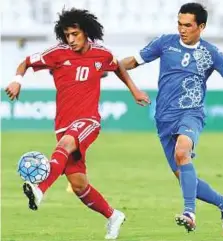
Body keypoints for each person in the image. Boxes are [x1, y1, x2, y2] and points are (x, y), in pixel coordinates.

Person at [5, 8, 150, 240]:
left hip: (88, 121)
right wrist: (16, 81)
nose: (70, 39)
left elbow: (117, 67)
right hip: (62, 123)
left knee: (65, 144)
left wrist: (135, 91)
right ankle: (113, 216)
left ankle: (39, 190)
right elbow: (26, 62)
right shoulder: (57, 53)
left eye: (75, 34)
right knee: (79, 184)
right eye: (67, 35)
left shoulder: (101, 54)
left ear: (86, 32)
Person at [120, 2, 223, 236]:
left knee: (183, 152)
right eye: (179, 24)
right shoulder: (165, 42)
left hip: (191, 114)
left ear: (201, 26)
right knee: (185, 177)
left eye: (188, 25)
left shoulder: (211, 53)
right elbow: (133, 61)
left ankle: (189, 213)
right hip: (164, 118)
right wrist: (104, 68)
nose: (182, 29)